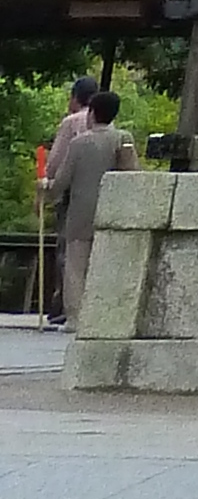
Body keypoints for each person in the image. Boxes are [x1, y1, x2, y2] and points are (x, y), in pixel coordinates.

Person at [50, 91, 137, 330]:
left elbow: (62, 179)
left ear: (92, 113)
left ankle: (76, 318)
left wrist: (48, 192)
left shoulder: (79, 143)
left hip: (80, 213)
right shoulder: (123, 138)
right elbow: (132, 173)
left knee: (75, 266)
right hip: (113, 211)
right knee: (106, 264)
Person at [37, 84, 91, 325]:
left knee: (67, 249)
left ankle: (64, 304)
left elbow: (57, 159)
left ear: (75, 98)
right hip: (98, 192)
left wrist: (44, 191)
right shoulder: (110, 126)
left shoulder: (71, 122)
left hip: (71, 193)